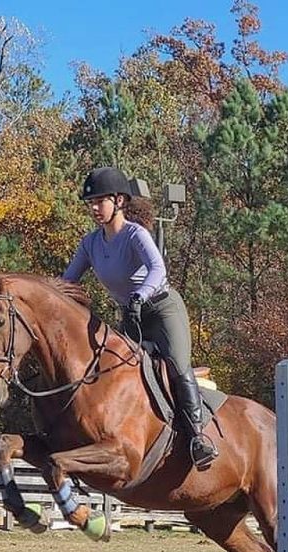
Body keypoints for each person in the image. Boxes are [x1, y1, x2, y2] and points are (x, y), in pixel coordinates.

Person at [62, 166, 217, 469]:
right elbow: (68, 283)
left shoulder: (135, 234)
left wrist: (138, 296)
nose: (94, 208)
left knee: (175, 363)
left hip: (161, 310)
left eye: (99, 201)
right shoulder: (90, 243)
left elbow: (158, 270)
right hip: (130, 317)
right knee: (110, 373)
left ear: (119, 201)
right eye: (90, 203)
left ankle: (198, 438)